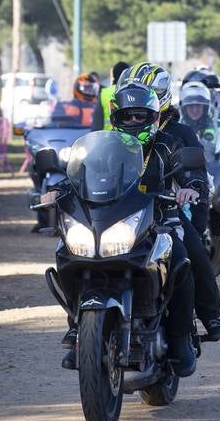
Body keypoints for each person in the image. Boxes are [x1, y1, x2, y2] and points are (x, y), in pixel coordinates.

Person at [62, 81, 207, 376]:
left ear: (152, 116)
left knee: (181, 262)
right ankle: (78, 329)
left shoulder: (168, 143)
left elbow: (192, 172)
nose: (133, 121)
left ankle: (180, 339)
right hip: (113, 220)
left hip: (159, 220)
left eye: (140, 116)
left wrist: (190, 188)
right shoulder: (102, 146)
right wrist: (59, 190)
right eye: (127, 116)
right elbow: (80, 173)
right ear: (116, 117)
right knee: (67, 256)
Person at [117, 63, 220, 342]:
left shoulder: (178, 135)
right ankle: (79, 324)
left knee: (189, 257)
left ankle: (208, 315)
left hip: (165, 213)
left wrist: (196, 212)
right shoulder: (116, 134)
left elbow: (197, 175)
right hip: (118, 213)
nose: (136, 108)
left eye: (147, 95)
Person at [90, 61, 130, 132]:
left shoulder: (104, 93)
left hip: (107, 140)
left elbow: (96, 125)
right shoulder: (132, 92)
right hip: (128, 138)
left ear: (114, 75)